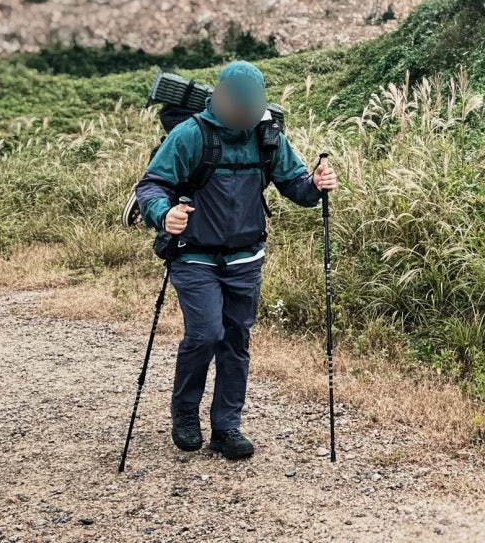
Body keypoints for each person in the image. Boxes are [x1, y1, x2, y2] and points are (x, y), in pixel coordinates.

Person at [136, 60, 337, 459]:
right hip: (194, 256)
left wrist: (315, 184)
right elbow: (152, 185)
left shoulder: (267, 136)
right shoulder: (191, 134)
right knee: (206, 333)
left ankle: (226, 427)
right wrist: (165, 214)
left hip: (246, 257)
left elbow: (294, 185)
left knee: (235, 340)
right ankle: (185, 412)